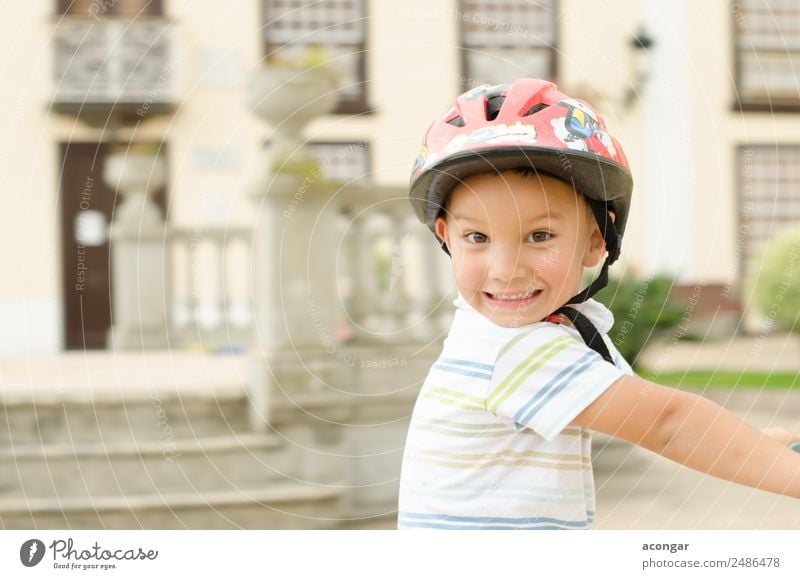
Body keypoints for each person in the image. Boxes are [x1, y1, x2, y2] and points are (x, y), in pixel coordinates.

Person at [397, 78, 800, 530]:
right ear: (445, 237)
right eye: (478, 238)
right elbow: (667, 423)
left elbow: (646, 415)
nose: (505, 269)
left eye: (540, 236)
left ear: (594, 243)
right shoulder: (515, 348)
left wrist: (756, 448)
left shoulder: (511, 331)